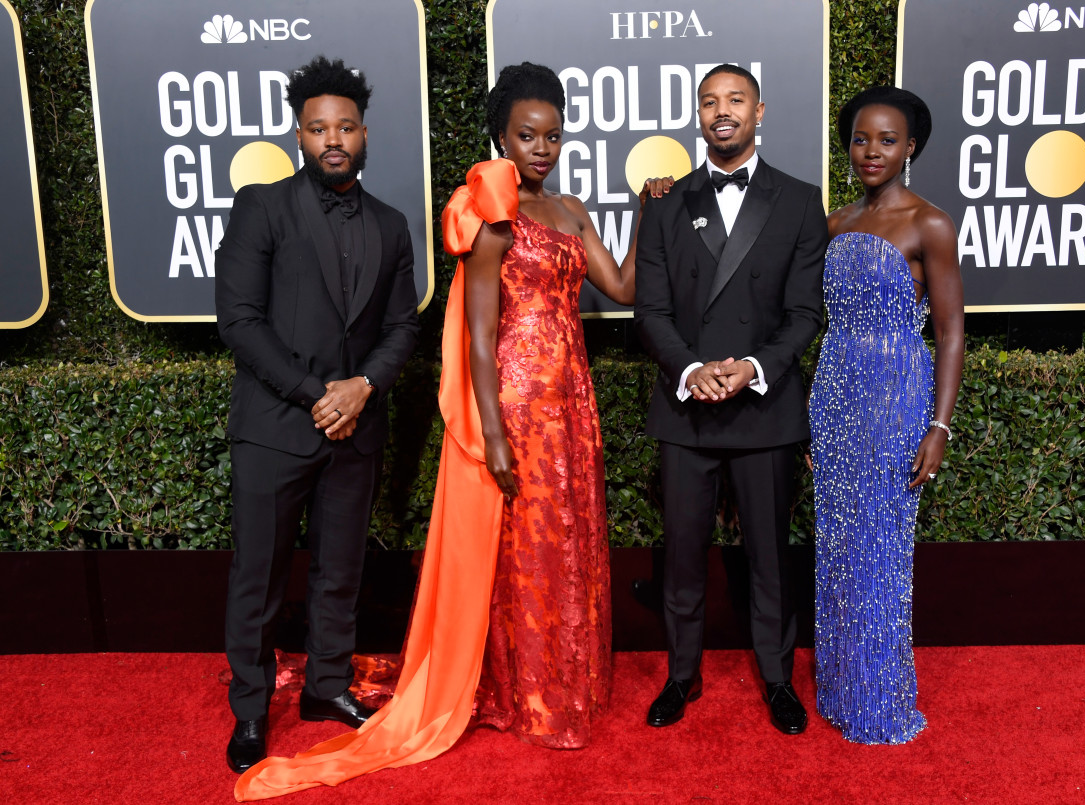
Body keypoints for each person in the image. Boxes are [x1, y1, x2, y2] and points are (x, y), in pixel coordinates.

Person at [232, 62, 670, 800]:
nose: (541, 147)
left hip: (572, 404)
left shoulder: (571, 209)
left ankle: (559, 684)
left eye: (553, 136)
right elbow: (476, 335)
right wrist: (494, 432)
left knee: (563, 546)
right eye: (527, 134)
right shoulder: (490, 214)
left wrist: (648, 210)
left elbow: (622, 287)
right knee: (515, 556)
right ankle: (510, 688)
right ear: (501, 135)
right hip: (516, 405)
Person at [216, 55, 419, 775]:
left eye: (345, 126)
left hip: (356, 429)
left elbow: (403, 328)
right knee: (259, 575)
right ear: (298, 135)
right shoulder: (262, 207)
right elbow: (238, 320)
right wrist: (316, 392)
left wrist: (362, 386)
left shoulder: (393, 226)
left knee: (340, 569)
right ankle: (249, 710)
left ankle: (327, 688)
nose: (333, 138)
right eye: (317, 128)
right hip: (274, 427)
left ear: (364, 133)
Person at [634, 64, 828, 735]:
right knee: (681, 557)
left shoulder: (803, 202)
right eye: (710, 102)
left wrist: (749, 366)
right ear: (698, 114)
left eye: (736, 100)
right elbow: (650, 309)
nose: (722, 112)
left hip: (763, 410)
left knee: (769, 559)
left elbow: (804, 312)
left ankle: (777, 679)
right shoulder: (663, 202)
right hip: (687, 408)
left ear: (760, 110)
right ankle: (680, 675)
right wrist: (693, 369)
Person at [809, 85, 964, 744]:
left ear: (912, 147)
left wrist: (939, 424)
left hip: (895, 394)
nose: (872, 151)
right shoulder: (836, 221)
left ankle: (879, 700)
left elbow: (953, 333)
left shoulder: (929, 223)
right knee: (839, 549)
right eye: (861, 139)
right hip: (834, 390)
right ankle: (842, 686)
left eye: (887, 140)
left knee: (881, 547)